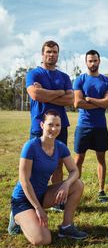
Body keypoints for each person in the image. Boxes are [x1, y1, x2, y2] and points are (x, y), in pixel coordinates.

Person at [8, 110, 88, 245]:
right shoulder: (31, 146)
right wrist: (38, 209)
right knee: (43, 239)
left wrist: (66, 184)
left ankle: (66, 227)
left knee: (77, 184)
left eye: (57, 125)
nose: (54, 129)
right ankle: (16, 219)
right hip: (23, 199)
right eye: (50, 124)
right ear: (42, 125)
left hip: (42, 195)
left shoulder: (60, 147)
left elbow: (74, 171)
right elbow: (24, 180)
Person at [26, 40, 73, 210]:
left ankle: (57, 201)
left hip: (61, 126)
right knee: (35, 165)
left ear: (57, 54)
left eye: (54, 52)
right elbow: (35, 94)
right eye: (48, 52)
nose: (51, 54)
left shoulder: (64, 77)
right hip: (39, 126)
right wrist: (60, 93)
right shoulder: (34, 74)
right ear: (42, 54)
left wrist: (47, 93)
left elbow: (70, 99)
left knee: (58, 162)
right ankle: (32, 200)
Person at [73, 49, 108, 202]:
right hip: (83, 126)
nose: (93, 63)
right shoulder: (80, 80)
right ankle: (74, 189)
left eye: (95, 60)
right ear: (86, 62)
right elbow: (77, 103)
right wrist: (101, 103)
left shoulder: (106, 81)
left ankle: (101, 191)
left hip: (100, 127)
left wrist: (90, 100)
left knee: (101, 159)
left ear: (99, 61)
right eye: (90, 61)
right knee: (78, 160)